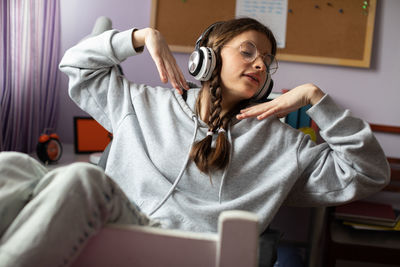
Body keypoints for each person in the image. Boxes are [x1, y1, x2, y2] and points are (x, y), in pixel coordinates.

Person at [0, 17, 390, 267]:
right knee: (13, 166)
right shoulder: (143, 102)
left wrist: (314, 97)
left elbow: (369, 173)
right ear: (207, 56)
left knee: (79, 179)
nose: (258, 63)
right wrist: (139, 37)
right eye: (247, 51)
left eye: (266, 61)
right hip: (118, 229)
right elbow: (76, 66)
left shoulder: (284, 145)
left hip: (192, 255)